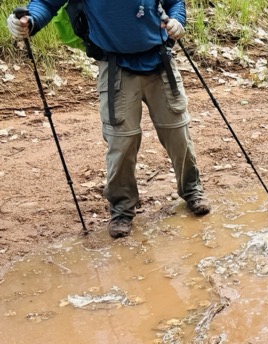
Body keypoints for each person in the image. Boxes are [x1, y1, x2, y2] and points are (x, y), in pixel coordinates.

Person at [7, 0, 211, 239]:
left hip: (160, 61)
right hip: (115, 66)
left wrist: (178, 21)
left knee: (177, 133)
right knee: (121, 141)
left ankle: (192, 191)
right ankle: (122, 210)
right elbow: (46, 3)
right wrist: (29, 22)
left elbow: (174, 2)